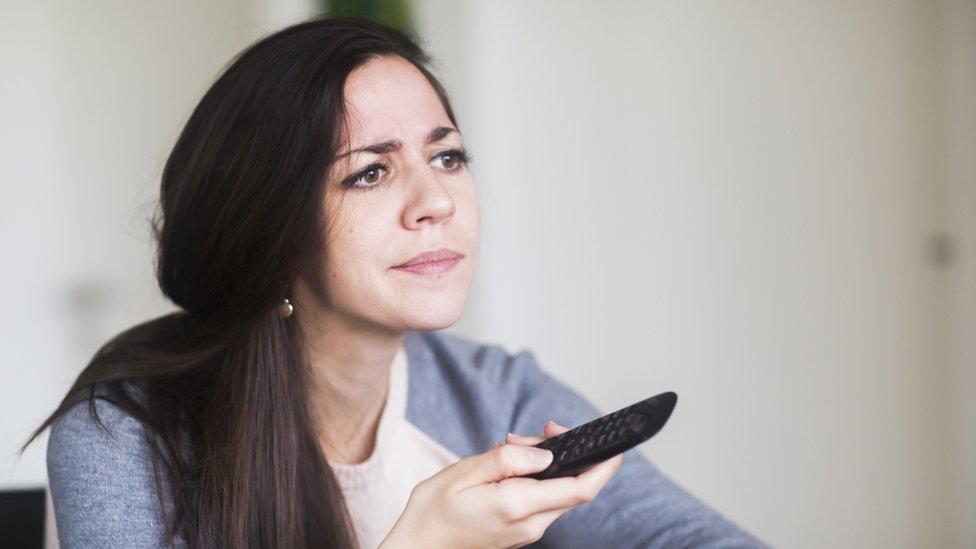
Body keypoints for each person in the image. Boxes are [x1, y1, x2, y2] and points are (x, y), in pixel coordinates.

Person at [22, 15, 768, 549]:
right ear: (269, 230)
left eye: (447, 157)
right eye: (370, 172)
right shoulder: (122, 434)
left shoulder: (494, 394)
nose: (437, 201)